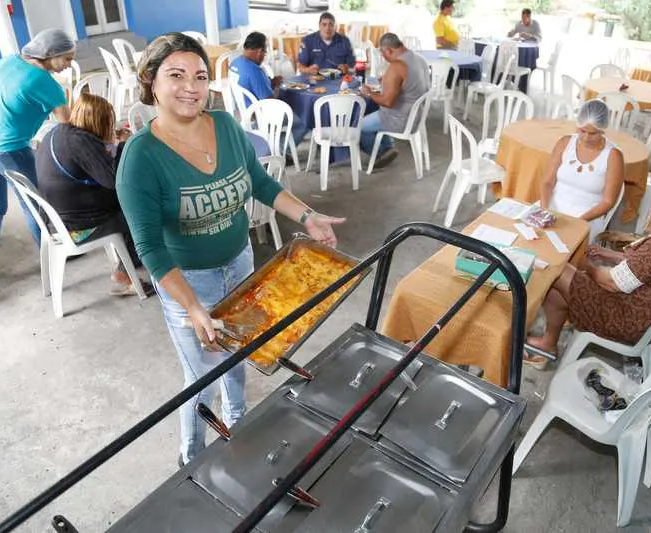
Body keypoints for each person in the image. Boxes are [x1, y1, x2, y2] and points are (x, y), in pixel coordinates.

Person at [116, 33, 345, 465]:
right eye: (176, 75)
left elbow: (259, 183)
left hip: (240, 264)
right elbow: (149, 247)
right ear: (151, 82)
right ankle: (192, 459)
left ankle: (238, 424)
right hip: (189, 284)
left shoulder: (223, 125)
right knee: (200, 375)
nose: (191, 87)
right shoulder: (140, 157)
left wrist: (307, 216)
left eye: (200, 76)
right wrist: (194, 309)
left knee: (240, 352)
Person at [525, 167, 651, 370]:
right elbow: (650, 266)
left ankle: (525, 337)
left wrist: (583, 264)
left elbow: (613, 283)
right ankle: (548, 344)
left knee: (556, 269)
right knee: (561, 275)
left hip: (627, 318)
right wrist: (610, 255)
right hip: (644, 310)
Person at [0, 28, 74, 279]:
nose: (70, 65)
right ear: (49, 53)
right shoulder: (46, 83)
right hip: (9, 149)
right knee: (36, 205)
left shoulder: (6, 61)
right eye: (67, 58)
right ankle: (50, 256)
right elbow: (66, 125)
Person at [35, 93, 149, 295]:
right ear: (100, 122)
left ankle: (132, 257)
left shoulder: (59, 132)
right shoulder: (81, 142)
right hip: (77, 225)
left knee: (130, 200)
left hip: (55, 216)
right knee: (139, 206)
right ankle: (125, 272)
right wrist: (124, 145)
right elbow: (114, 179)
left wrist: (109, 142)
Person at [540, 99, 624, 241]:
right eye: (582, 131)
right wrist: (544, 209)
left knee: (562, 245)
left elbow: (608, 202)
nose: (585, 137)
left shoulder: (613, 156)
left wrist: (577, 221)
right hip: (552, 207)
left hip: (587, 217)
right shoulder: (565, 142)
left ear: (603, 130)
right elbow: (547, 181)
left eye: (593, 133)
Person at [359, 33, 430, 169]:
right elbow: (408, 83)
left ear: (389, 50)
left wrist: (368, 93)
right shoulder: (419, 59)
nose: (385, 58)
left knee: (358, 127)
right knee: (374, 112)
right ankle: (389, 147)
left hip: (400, 119)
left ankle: (380, 154)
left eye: (383, 54)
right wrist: (387, 80)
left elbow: (387, 102)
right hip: (417, 115)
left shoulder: (397, 66)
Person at [230, 31, 308, 148]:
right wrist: (276, 87)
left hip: (243, 112)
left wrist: (271, 82)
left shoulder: (235, 63)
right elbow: (270, 102)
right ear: (260, 51)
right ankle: (282, 151)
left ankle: (275, 144)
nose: (263, 56)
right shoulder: (254, 71)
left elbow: (251, 85)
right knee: (305, 119)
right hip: (258, 116)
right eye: (264, 53)